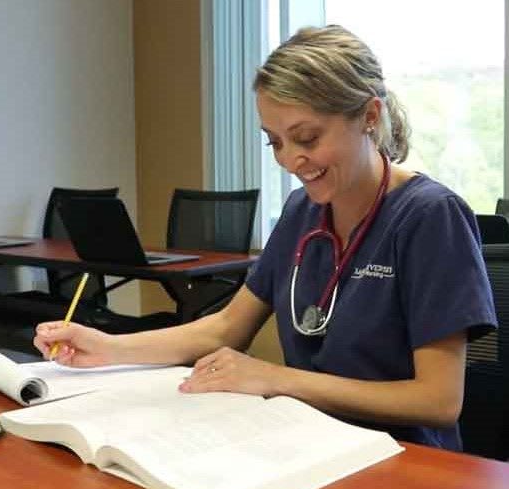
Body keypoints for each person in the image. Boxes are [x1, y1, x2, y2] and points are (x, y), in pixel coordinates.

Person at [33, 25, 497, 451]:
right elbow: (225, 328)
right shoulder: (303, 212)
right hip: (306, 444)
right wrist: (107, 346)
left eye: (307, 138)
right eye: (274, 141)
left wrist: (275, 378)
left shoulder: (429, 216)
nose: (291, 160)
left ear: (369, 116)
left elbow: (437, 401)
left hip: (403, 464)